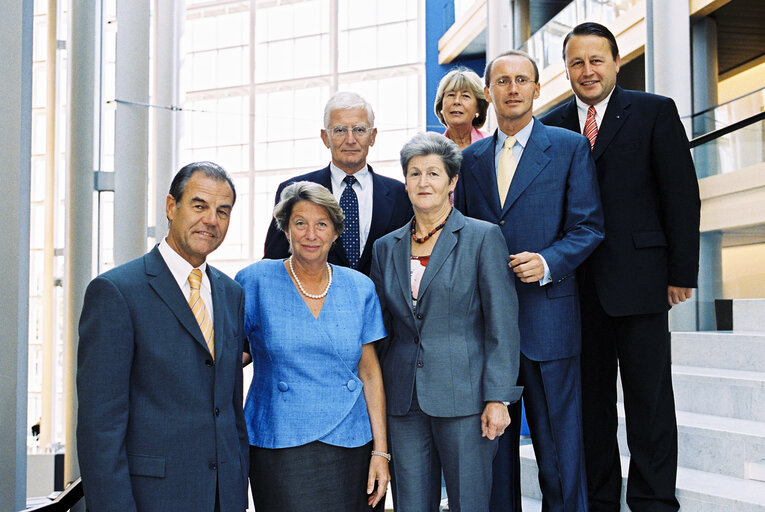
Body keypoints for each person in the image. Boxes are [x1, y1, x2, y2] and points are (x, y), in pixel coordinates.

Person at [540, 22, 700, 512]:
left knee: (649, 403)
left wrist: (682, 273)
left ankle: (653, 500)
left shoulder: (654, 111)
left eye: (596, 60)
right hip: (575, 288)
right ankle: (601, 499)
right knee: (590, 406)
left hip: (643, 283)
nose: (587, 71)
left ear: (615, 63)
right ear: (566, 69)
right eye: (576, 62)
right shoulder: (554, 123)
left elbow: (681, 194)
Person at [454, 50, 604, 512]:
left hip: (548, 321)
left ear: (538, 89)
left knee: (559, 452)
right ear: (489, 92)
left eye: (522, 80)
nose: (513, 88)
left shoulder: (568, 147)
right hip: (488, 329)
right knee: (493, 454)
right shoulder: (472, 159)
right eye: (502, 81)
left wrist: (548, 261)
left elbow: (589, 226)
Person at [77, 162, 248, 512]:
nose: (211, 220)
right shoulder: (116, 292)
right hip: (152, 499)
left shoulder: (232, 294)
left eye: (222, 211)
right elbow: (100, 427)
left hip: (224, 497)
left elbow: (229, 408)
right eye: (199, 206)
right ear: (171, 207)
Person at [370, 131, 522, 511]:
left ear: (452, 182)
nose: (424, 182)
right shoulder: (386, 247)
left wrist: (497, 397)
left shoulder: (482, 238)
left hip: (466, 400)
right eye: (415, 173)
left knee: (468, 503)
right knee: (411, 504)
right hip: (403, 402)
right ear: (405, 183)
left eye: (434, 173)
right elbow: (382, 328)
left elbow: (502, 325)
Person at [236, 181, 390, 511]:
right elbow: (233, 354)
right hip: (279, 437)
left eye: (322, 224)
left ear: (336, 233)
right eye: (300, 223)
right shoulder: (255, 280)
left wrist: (381, 451)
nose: (311, 234)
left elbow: (370, 373)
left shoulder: (359, 287)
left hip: (351, 439)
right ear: (286, 230)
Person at [263, 91, 412, 277]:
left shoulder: (400, 194)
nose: (350, 140)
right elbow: (274, 263)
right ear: (325, 138)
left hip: (379, 304)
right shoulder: (294, 192)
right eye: (340, 130)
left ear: (373, 136)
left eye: (359, 130)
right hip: (314, 302)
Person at [434, 67, 490, 149]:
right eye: (451, 95)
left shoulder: (490, 145)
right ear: (441, 105)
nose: (456, 101)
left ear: (478, 107)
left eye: (465, 96)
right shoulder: (433, 150)